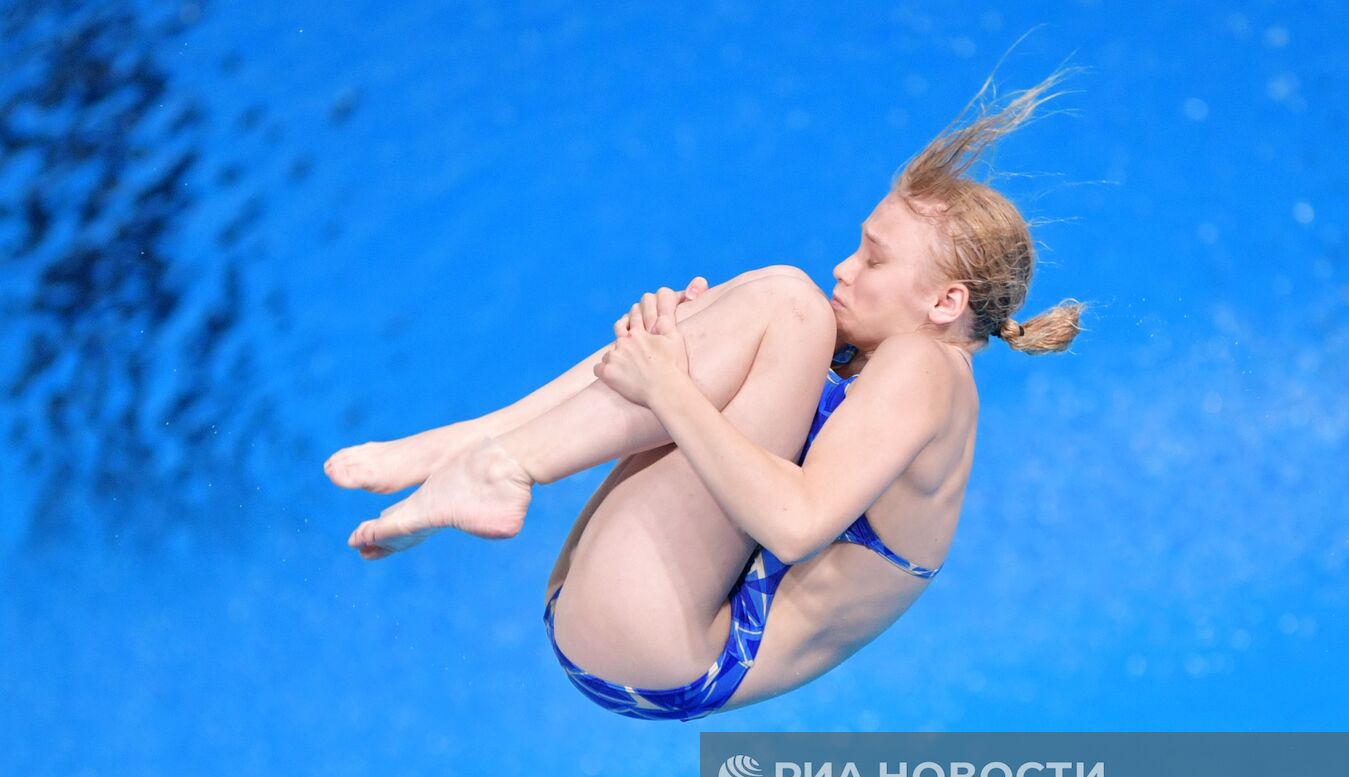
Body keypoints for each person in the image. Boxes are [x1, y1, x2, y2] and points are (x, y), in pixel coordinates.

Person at [324, 65, 1087, 721]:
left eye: (874, 259)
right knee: (769, 302)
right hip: (627, 632)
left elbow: (794, 523)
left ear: (945, 304)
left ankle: (495, 464)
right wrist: (680, 345)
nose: (846, 267)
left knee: (786, 300)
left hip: (666, 645)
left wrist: (672, 389)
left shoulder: (927, 369)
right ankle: (473, 448)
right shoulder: (883, 357)